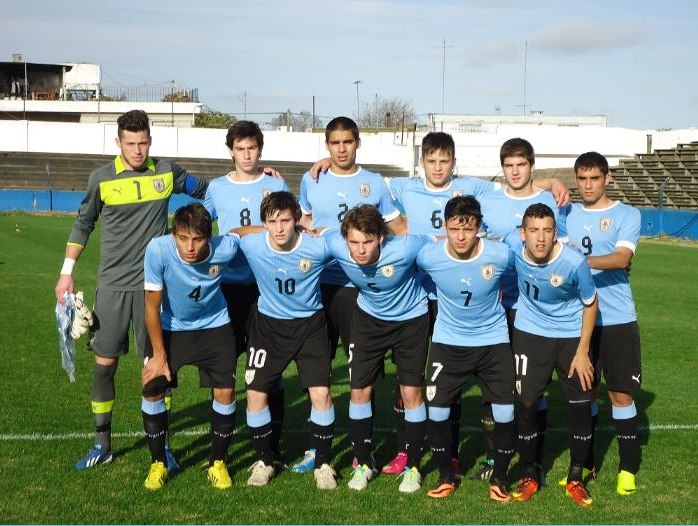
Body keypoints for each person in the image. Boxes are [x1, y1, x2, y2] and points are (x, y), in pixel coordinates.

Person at [54, 109, 208, 471]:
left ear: (150, 140)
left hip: (155, 289)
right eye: (130, 143)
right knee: (104, 366)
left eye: (143, 143)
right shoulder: (102, 179)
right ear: (118, 142)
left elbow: (206, 190)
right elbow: (83, 224)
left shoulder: (167, 172)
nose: (137, 150)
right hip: (112, 286)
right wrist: (66, 273)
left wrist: (255, 177)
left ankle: (162, 446)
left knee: (157, 366)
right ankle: (102, 444)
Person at [292, 116, 406, 473]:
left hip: (359, 290)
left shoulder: (374, 183)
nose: (341, 149)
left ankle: (362, 450)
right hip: (318, 287)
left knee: (361, 373)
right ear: (327, 146)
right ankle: (317, 448)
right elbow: (301, 223)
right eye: (335, 143)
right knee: (318, 371)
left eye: (348, 142)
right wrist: (314, 230)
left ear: (358, 143)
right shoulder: (313, 179)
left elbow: (399, 229)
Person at [476, 137, 568, 481]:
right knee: (494, 385)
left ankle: (535, 460)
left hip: (535, 310)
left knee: (534, 389)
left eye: (522, 165)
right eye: (509, 166)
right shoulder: (488, 200)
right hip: (495, 308)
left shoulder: (551, 201)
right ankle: (492, 457)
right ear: (503, 169)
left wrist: (552, 183)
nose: (515, 172)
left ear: (532, 165)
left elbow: (566, 248)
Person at [324, 204, 430, 493]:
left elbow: (439, 245)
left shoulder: (407, 247)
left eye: (367, 242)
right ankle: (363, 462)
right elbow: (306, 236)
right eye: (354, 242)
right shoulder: (336, 244)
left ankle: (414, 466)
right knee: (360, 390)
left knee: (411, 392)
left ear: (381, 237)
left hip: (411, 320)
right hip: (368, 321)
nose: (360, 250)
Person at [416, 196, 516, 501]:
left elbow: (524, 271)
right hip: (448, 343)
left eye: (469, 228)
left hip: (493, 342)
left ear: (479, 228)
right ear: (444, 227)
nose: (461, 236)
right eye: (455, 228)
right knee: (437, 411)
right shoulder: (429, 256)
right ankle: (446, 474)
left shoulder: (500, 255)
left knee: (505, 411)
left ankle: (499, 478)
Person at [238, 191, 337, 489]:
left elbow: (343, 240)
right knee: (256, 394)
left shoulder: (317, 248)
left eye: (285, 220)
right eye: (272, 221)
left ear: (296, 219)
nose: (279, 228)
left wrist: (317, 228)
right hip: (268, 327)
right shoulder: (253, 244)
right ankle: (264, 461)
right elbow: (233, 233)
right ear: (264, 223)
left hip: (311, 327)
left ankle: (323, 464)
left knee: (321, 394)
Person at [203, 120, 289, 460]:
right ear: (231, 152)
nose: (247, 154)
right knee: (224, 369)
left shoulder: (275, 182)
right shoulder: (217, 187)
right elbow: (200, 223)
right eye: (240, 149)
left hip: (264, 287)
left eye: (252, 148)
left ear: (260, 150)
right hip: (225, 288)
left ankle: (273, 446)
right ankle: (221, 450)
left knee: (270, 369)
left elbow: (288, 224)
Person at [140, 203, 239, 490]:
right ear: (174, 235)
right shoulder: (158, 250)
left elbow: (240, 234)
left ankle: (217, 462)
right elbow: (151, 305)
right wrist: (159, 356)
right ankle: (158, 462)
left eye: (197, 239)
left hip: (214, 326)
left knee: (225, 390)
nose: (190, 247)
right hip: (171, 327)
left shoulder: (225, 248)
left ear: (209, 236)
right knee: (154, 387)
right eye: (183, 239)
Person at [563, 152, 642, 496]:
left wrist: (580, 261)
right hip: (580, 321)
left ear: (607, 178)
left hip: (618, 319)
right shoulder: (566, 214)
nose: (588, 185)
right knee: (586, 392)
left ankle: (627, 469)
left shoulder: (627, 213)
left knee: (620, 394)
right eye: (582, 178)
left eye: (595, 178)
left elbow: (623, 258)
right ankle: (589, 462)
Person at [509, 203, 598, 507]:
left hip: (571, 337)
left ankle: (576, 477)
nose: (540, 238)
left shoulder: (574, 262)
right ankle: (530, 473)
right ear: (523, 233)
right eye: (534, 230)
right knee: (526, 404)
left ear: (555, 233)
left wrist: (583, 351)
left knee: (580, 405)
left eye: (547, 230)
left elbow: (590, 302)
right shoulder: (512, 249)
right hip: (530, 333)